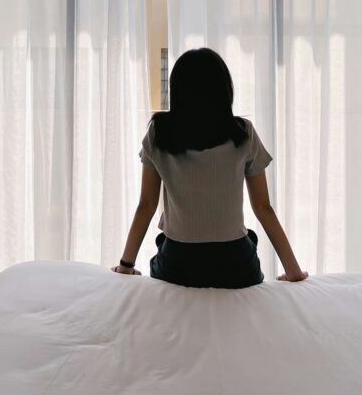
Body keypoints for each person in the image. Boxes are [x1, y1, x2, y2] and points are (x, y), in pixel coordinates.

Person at [112, 48, 308, 287]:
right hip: (235, 267)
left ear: (177, 91)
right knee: (249, 239)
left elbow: (146, 206)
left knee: (164, 244)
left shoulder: (159, 133)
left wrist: (126, 266)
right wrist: (293, 272)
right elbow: (262, 207)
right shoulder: (242, 133)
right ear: (224, 91)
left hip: (178, 265)